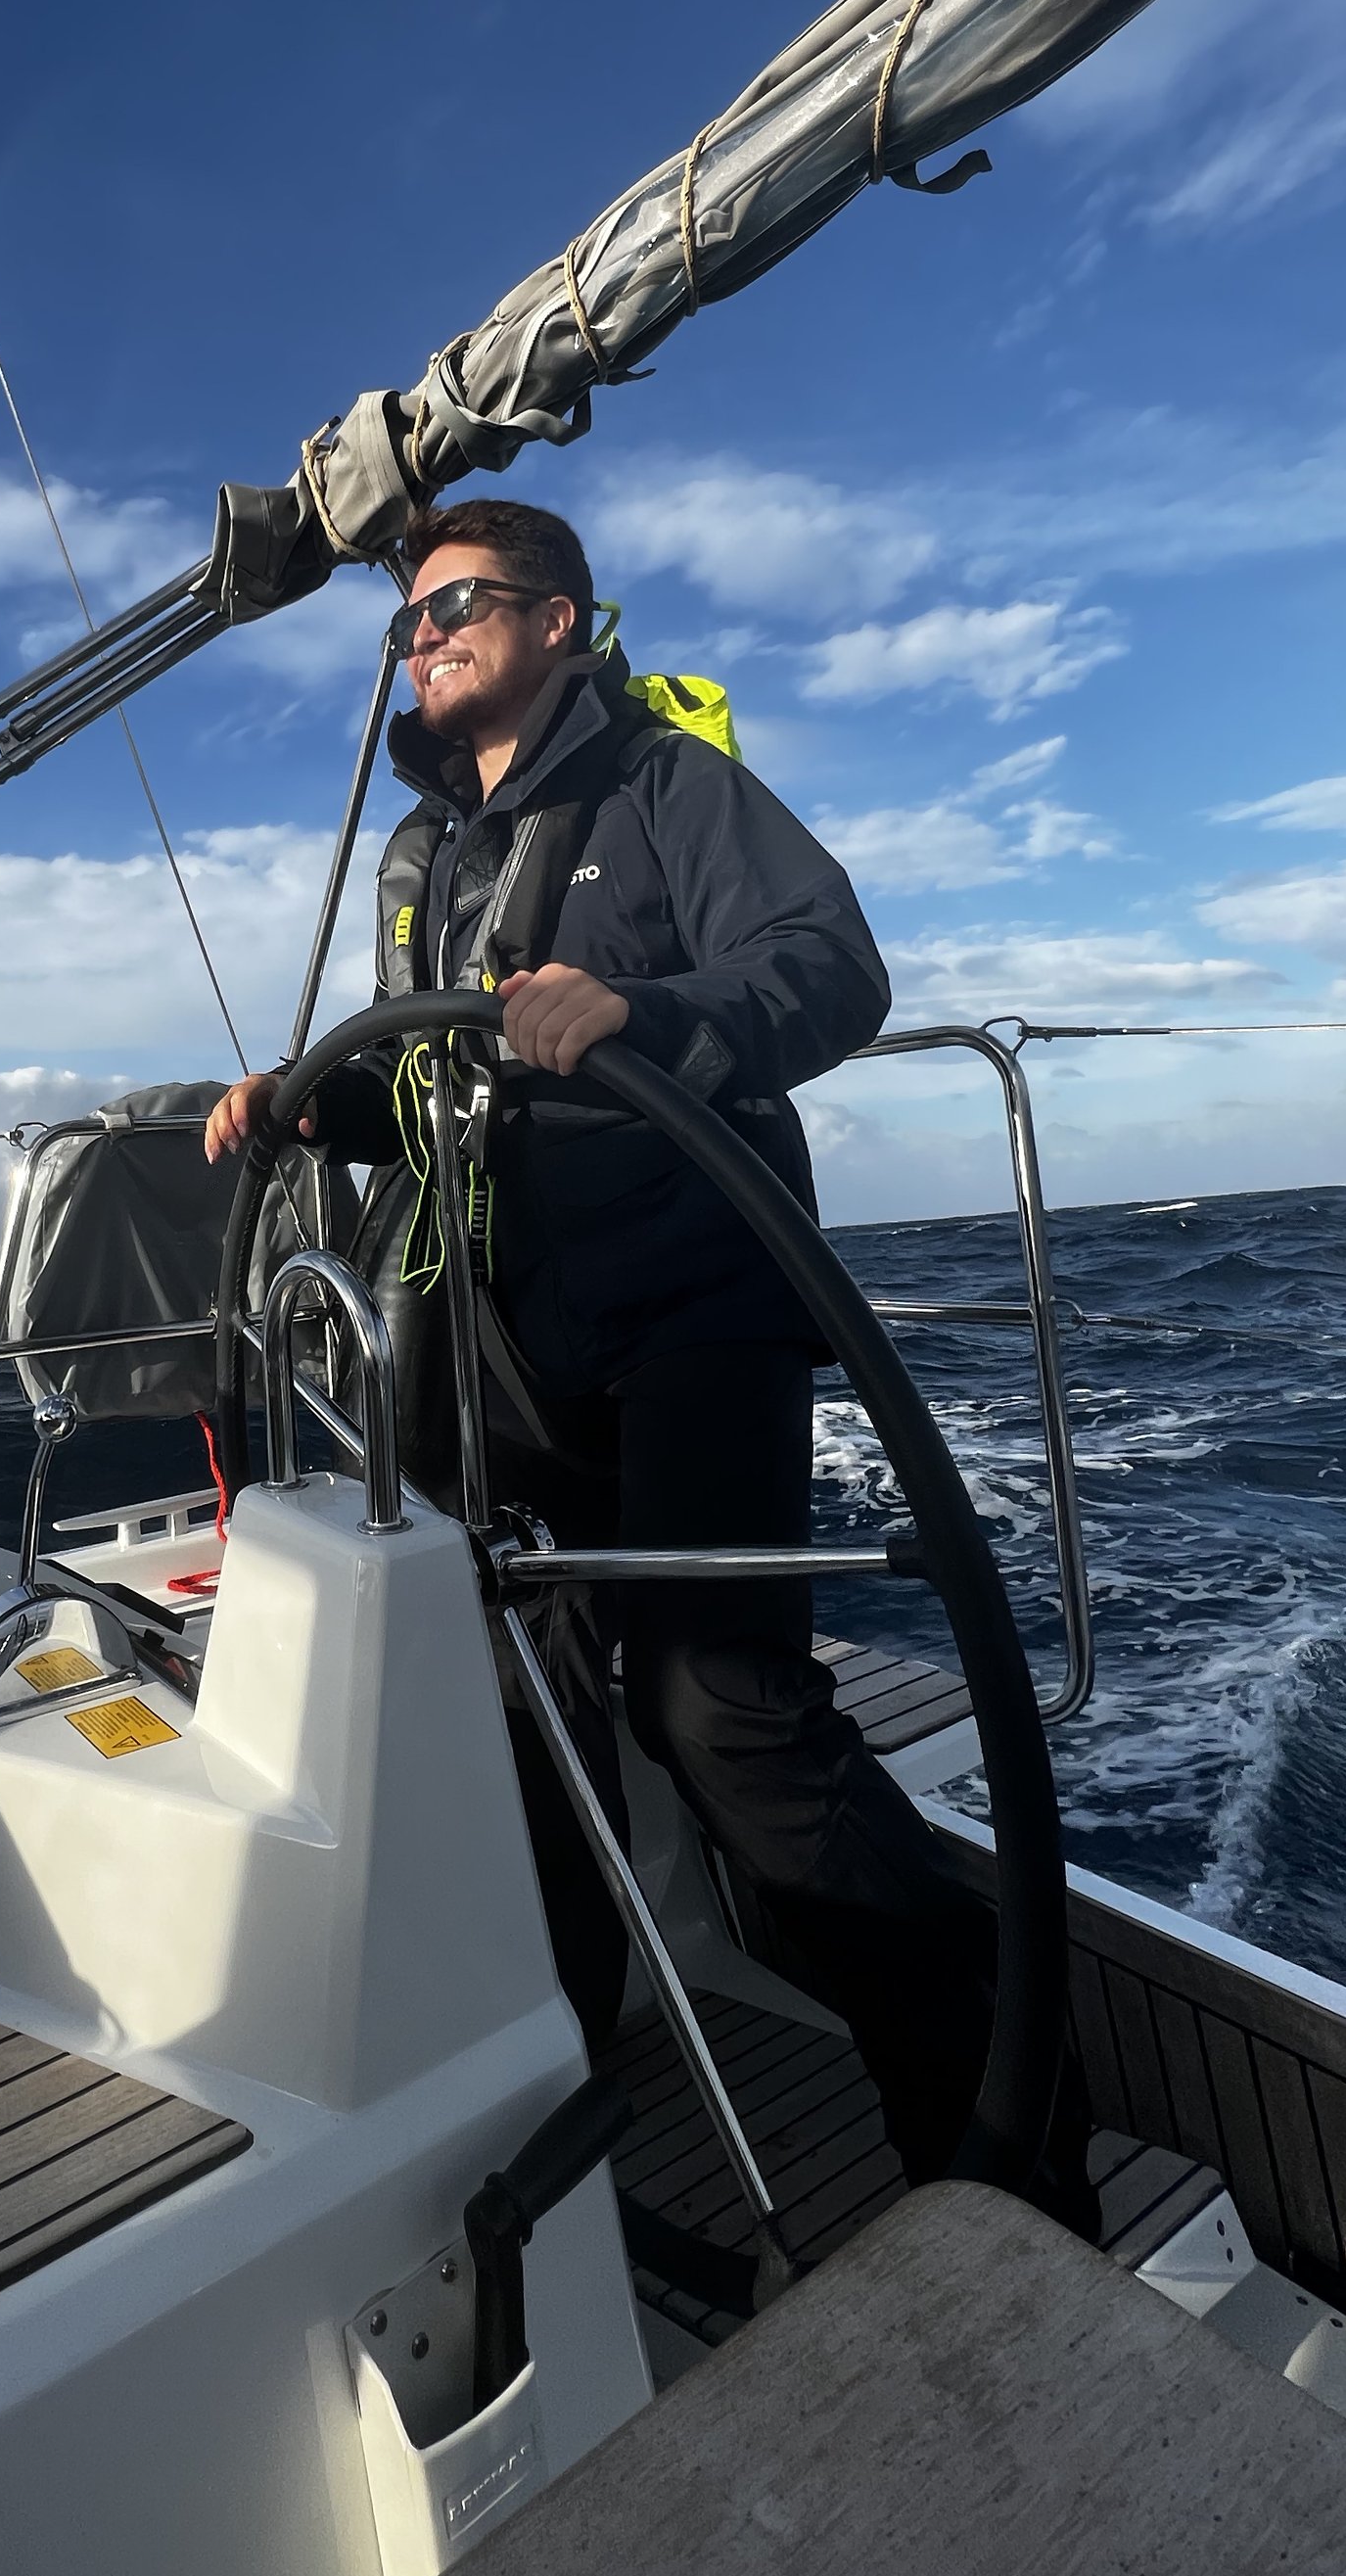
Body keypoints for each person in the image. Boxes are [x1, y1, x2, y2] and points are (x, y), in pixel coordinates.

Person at [207, 494, 1092, 2227]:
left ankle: (997, 2110)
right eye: (405, 617)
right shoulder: (426, 864)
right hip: (504, 1344)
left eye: (456, 601)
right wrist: (317, 1097)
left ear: (558, 618)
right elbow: (436, 1087)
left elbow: (833, 969)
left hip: (696, 1302)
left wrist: (650, 1014)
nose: (422, 632)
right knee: (532, 1719)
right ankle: (570, 2097)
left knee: (720, 1713)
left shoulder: (668, 787)